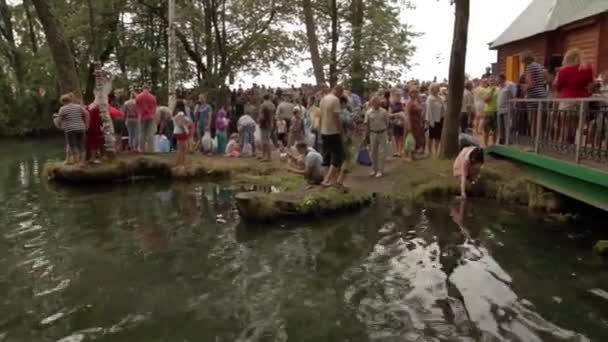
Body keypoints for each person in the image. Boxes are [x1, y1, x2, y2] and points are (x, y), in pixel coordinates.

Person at [556, 48, 594, 144]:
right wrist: (588, 94)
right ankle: (576, 148)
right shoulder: (587, 68)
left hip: (568, 99)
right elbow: (591, 85)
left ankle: (565, 145)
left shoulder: (563, 70)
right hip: (582, 100)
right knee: (578, 125)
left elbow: (559, 86)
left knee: (565, 125)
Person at [319, 85, 346, 187]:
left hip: (324, 131)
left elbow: (321, 115)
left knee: (326, 156)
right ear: (339, 91)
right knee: (337, 156)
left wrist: (321, 129)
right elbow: (336, 118)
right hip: (333, 132)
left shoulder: (323, 99)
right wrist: (341, 131)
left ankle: (328, 180)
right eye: (341, 93)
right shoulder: (335, 100)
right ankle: (327, 180)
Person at [521, 50, 548, 139]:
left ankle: (534, 142)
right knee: (540, 121)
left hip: (534, 96)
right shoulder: (539, 66)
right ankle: (540, 141)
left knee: (532, 121)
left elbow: (531, 83)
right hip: (542, 94)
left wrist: (524, 88)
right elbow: (545, 80)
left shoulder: (529, 67)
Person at [58, 93, 89, 165]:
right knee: (82, 145)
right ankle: (82, 162)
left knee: (73, 146)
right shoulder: (78, 106)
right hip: (81, 128)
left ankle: (77, 162)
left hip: (70, 129)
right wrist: (86, 124)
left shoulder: (62, 109)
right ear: (71, 100)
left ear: (63, 101)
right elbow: (86, 114)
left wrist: (60, 126)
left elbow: (59, 120)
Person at [364, 95, 390, 178]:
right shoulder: (368, 112)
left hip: (382, 133)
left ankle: (380, 170)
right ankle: (374, 169)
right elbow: (367, 125)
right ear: (371, 103)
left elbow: (387, 122)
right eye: (374, 102)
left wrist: (388, 133)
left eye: (377, 102)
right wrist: (366, 136)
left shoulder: (384, 112)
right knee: (373, 152)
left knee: (382, 152)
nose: (376, 104)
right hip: (373, 133)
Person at [136, 84, 157, 153]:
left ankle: (142, 149)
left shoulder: (138, 97)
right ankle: (150, 149)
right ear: (149, 88)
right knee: (150, 133)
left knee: (142, 133)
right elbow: (154, 107)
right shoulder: (153, 97)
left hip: (142, 116)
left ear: (142, 88)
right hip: (151, 116)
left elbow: (137, 107)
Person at [426, 83, 445, 158]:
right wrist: (430, 121)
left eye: (438, 88)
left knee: (438, 137)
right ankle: (430, 152)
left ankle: (437, 152)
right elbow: (429, 111)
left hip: (440, 119)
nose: (438, 89)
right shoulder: (430, 98)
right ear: (432, 89)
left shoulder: (440, 98)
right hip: (433, 120)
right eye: (436, 88)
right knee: (431, 137)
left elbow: (443, 109)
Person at [497, 74, 516, 144]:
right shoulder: (499, 87)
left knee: (507, 126)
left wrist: (513, 107)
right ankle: (502, 140)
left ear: (502, 79)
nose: (497, 81)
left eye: (498, 79)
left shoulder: (510, 85)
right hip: (500, 109)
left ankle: (508, 141)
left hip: (507, 109)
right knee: (500, 127)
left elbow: (514, 95)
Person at [406, 86, 425, 155]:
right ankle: (409, 155)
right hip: (411, 122)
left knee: (417, 138)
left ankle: (413, 154)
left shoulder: (417, 101)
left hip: (418, 122)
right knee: (411, 138)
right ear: (410, 94)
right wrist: (409, 125)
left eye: (416, 92)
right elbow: (407, 114)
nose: (415, 94)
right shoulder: (409, 102)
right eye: (413, 93)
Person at [480, 76, 499, 146]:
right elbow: (486, 100)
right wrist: (492, 91)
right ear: (488, 82)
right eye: (491, 81)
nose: (492, 82)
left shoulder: (499, 89)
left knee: (495, 130)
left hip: (496, 111)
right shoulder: (485, 90)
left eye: (493, 80)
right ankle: (486, 145)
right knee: (486, 130)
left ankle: (494, 145)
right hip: (488, 112)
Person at [258, 94, 275, 161]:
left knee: (265, 141)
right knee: (266, 139)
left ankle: (267, 157)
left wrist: (259, 120)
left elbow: (261, 116)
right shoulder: (272, 104)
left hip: (265, 124)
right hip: (270, 123)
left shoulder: (263, 105)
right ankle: (264, 156)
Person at [173, 100, 190, 167]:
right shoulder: (181, 113)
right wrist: (185, 130)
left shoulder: (175, 113)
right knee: (183, 148)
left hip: (176, 131)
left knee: (179, 148)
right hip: (181, 132)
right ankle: (182, 163)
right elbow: (181, 123)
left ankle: (178, 163)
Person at [390, 91, 405, 157]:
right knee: (395, 137)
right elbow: (389, 114)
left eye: (399, 97)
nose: (397, 98)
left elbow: (405, 113)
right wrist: (397, 114)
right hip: (394, 122)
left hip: (401, 123)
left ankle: (400, 151)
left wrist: (402, 115)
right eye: (396, 96)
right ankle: (396, 151)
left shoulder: (402, 104)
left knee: (401, 137)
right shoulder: (391, 105)